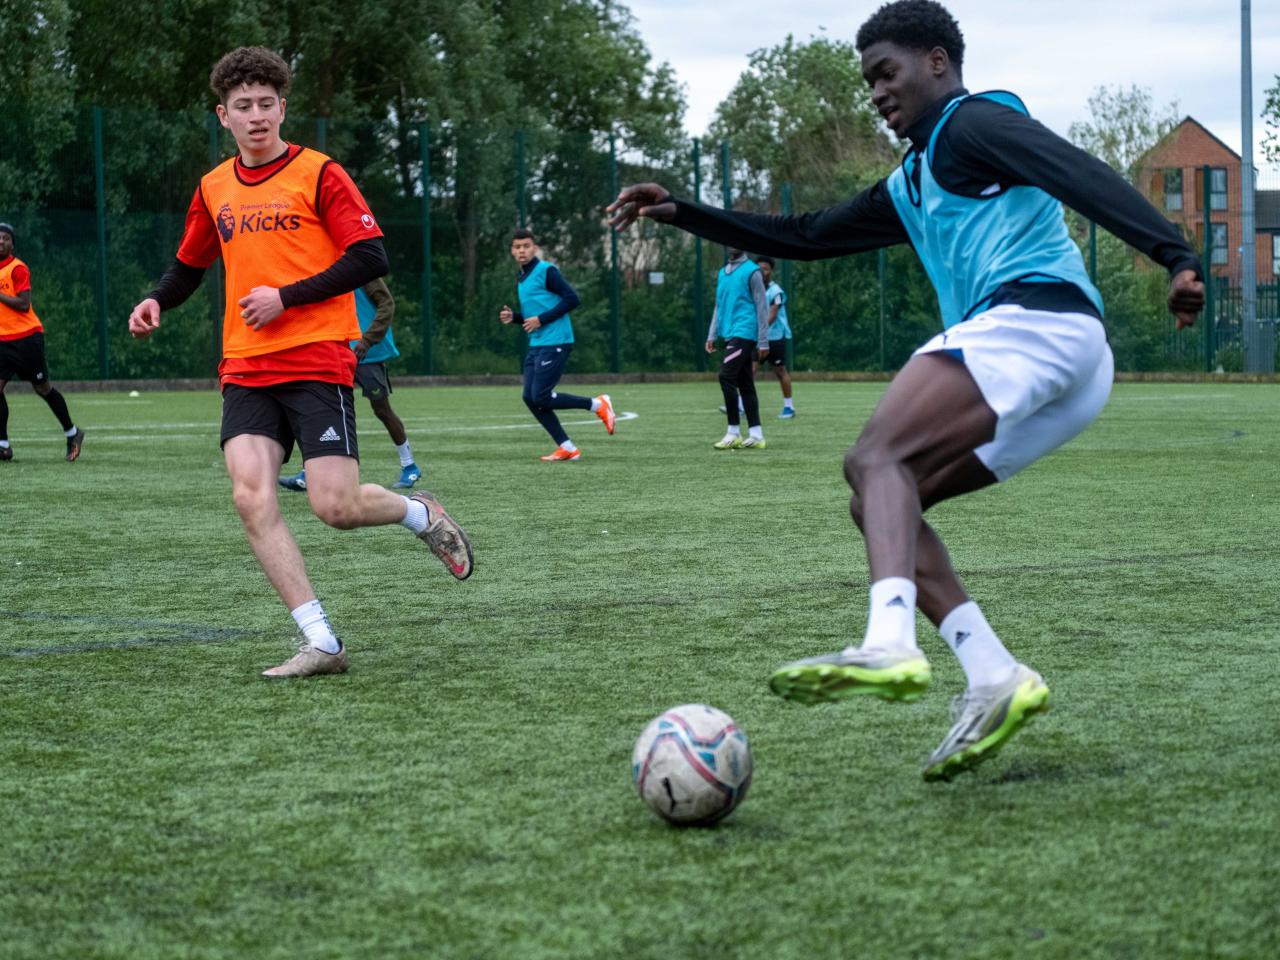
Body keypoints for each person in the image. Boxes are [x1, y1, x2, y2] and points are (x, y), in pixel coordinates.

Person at [609, 0, 1204, 780]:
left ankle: (889, 642)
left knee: (876, 456)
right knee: (882, 495)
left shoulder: (972, 124)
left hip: (1037, 322)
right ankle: (993, 675)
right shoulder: (916, 177)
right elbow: (806, 237)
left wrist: (1176, 254)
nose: (877, 92)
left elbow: (1074, 170)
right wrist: (682, 211)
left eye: (886, 73)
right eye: (868, 82)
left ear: (936, 62)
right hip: (1064, 365)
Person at [128, 46, 473, 680]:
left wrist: (286, 296)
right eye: (243, 107)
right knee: (250, 496)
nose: (256, 116)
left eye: (266, 104)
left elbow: (370, 256)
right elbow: (188, 266)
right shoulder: (212, 187)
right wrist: (155, 299)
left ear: (283, 108)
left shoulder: (319, 172)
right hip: (245, 367)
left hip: (317, 358)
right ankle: (322, 641)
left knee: (334, 509)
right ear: (222, 116)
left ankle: (421, 513)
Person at [279, 277, 423, 491]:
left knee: (381, 409)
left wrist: (366, 341)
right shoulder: (321, 267)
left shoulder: (361, 267)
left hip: (367, 353)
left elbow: (387, 304)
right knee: (317, 409)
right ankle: (309, 473)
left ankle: (409, 466)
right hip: (335, 349)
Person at [499, 228, 616, 460]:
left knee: (540, 395)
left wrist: (540, 319)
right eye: (517, 247)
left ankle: (597, 404)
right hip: (537, 343)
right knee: (529, 397)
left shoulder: (547, 271)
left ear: (535, 248)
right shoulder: (522, 278)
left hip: (557, 340)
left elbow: (573, 298)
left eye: (526, 246)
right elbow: (536, 313)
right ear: (512, 251)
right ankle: (568, 448)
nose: (522, 250)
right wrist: (517, 318)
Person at [0, 223, 85, 463]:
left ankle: (72, 432)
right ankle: (3, 446)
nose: (0, 242)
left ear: (12, 244)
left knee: (42, 388)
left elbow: (24, 304)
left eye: (5, 238)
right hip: (2, 341)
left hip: (26, 338)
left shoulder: (18, 268)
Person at [708, 247, 770, 449]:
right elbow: (719, 305)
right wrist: (712, 334)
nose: (732, 245)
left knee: (726, 376)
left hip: (744, 331)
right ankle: (756, 434)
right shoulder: (722, 272)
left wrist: (763, 341)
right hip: (729, 332)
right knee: (745, 382)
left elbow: (762, 306)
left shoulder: (752, 271)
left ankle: (733, 431)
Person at [755, 256, 795, 419]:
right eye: (759, 269)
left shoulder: (776, 291)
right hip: (758, 337)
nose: (762, 272)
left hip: (775, 337)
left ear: (771, 271)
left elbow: (772, 315)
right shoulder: (753, 290)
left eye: (765, 269)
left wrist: (759, 331)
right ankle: (741, 405)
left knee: (780, 371)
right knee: (749, 370)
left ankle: (789, 407)